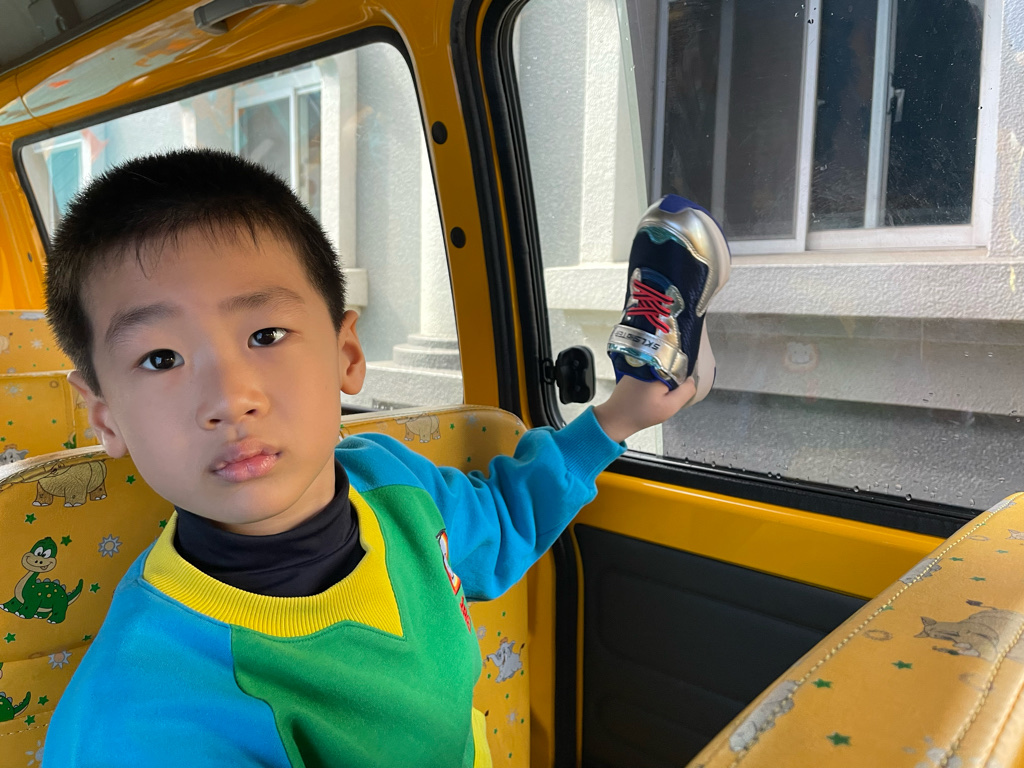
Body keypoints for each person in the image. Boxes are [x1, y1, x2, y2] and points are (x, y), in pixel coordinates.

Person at [41, 149, 705, 767]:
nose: (230, 398)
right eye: (161, 358)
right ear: (105, 416)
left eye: (265, 335)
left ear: (347, 356)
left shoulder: (390, 479)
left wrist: (622, 415)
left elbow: (499, 521)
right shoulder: (134, 723)